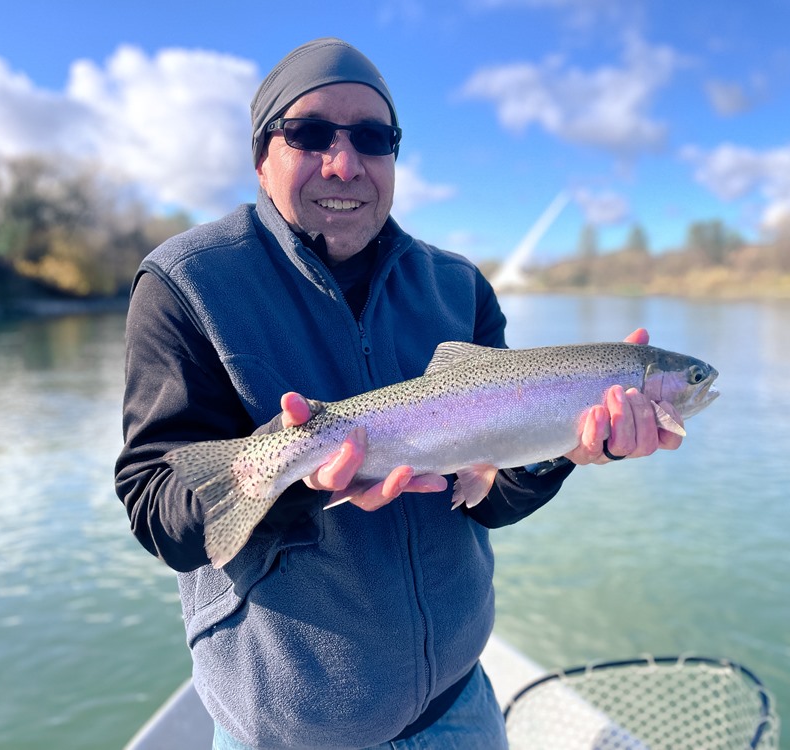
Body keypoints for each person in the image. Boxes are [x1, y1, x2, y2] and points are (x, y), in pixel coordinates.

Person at [115, 37, 683, 750]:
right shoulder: (185, 283)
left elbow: (490, 497)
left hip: (460, 705)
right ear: (262, 156)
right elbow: (155, 509)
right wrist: (294, 479)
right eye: (311, 133)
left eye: (373, 138)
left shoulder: (459, 286)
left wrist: (566, 449)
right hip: (288, 729)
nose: (344, 163)